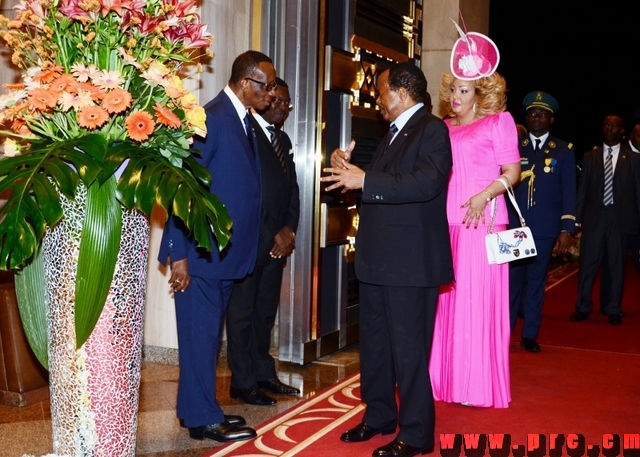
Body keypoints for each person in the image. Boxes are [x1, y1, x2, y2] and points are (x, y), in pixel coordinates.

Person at [321, 63, 453, 457]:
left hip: (411, 264)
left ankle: (415, 433)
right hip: (378, 261)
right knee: (375, 347)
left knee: (409, 350)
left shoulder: (432, 130)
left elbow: (427, 183)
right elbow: (376, 190)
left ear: (403, 90)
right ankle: (379, 415)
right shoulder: (389, 136)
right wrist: (347, 176)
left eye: (381, 92)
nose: (377, 101)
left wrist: (366, 180)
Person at [157, 50, 278, 442]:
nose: (272, 94)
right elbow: (181, 187)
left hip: (222, 256)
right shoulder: (210, 118)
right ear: (246, 83)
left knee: (208, 339)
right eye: (267, 86)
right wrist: (178, 254)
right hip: (199, 255)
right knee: (200, 338)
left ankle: (199, 409)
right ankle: (201, 418)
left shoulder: (242, 119)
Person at [428, 28, 521, 408]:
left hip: (482, 224)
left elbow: (512, 171)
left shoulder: (499, 122)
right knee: (448, 305)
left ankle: (476, 385)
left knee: (476, 305)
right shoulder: (443, 128)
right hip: (447, 223)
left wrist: (486, 193)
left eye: (464, 91)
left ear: (481, 94)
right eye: (453, 90)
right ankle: (445, 381)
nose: (455, 97)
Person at [226, 77, 300, 406]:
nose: (283, 107)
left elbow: (291, 191)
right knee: (242, 313)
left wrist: (289, 230)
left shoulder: (281, 139)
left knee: (264, 313)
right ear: (266, 99)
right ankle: (242, 382)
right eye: (279, 101)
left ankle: (263, 373)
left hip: (277, 244)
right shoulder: (247, 133)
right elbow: (249, 192)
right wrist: (274, 231)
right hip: (252, 240)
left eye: (287, 103)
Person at [508, 91, 577, 353]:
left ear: (551, 119)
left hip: (545, 230)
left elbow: (569, 191)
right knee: (512, 284)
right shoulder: (515, 147)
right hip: (515, 229)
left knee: (536, 283)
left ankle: (529, 335)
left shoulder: (563, 150)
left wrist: (566, 228)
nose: (536, 118)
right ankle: (504, 332)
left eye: (542, 114)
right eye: (532, 114)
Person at [570, 114, 640, 325]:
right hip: (593, 221)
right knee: (588, 266)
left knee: (616, 266)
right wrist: (576, 220)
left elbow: (638, 192)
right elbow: (582, 191)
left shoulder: (634, 160)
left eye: (614, 126)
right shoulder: (590, 157)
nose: (610, 128)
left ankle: (613, 308)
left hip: (621, 222)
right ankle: (583, 307)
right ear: (602, 129)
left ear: (622, 131)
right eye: (606, 125)